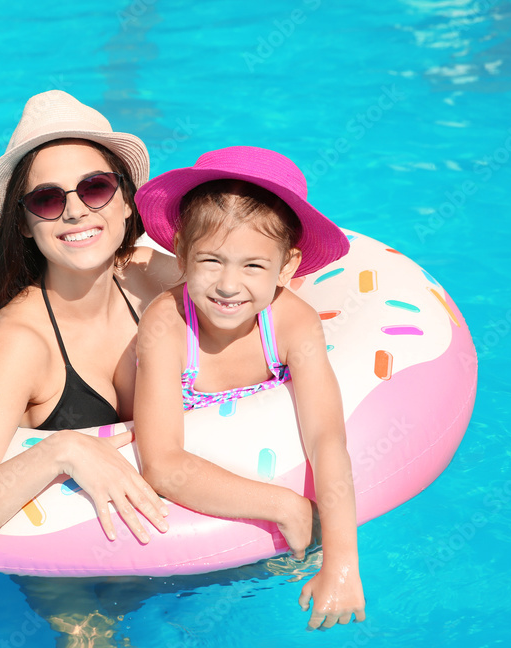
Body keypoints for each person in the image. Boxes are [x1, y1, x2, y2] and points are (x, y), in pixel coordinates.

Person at [0, 90, 179, 551]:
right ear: (23, 223)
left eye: (96, 187)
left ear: (125, 201)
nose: (76, 209)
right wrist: (63, 450)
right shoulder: (20, 341)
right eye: (46, 199)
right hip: (71, 573)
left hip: (177, 541)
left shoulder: (148, 276)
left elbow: (270, 274)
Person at [131, 146, 366, 629]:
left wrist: (343, 563)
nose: (228, 285)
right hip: (191, 523)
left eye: (253, 266)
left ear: (286, 267)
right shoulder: (168, 324)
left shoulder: (291, 324)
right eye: (211, 261)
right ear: (181, 255)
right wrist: (282, 503)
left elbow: (326, 438)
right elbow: (161, 463)